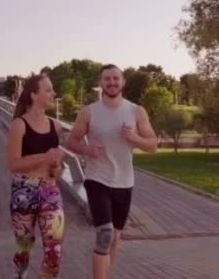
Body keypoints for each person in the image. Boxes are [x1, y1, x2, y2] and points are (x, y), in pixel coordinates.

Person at [67, 64, 158, 279]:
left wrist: (135, 139)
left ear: (123, 82)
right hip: (97, 178)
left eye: (115, 78)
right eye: (107, 79)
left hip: (125, 182)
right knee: (105, 233)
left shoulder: (136, 111)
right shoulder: (89, 112)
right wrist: (87, 149)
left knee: (116, 237)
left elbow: (153, 145)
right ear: (101, 83)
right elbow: (71, 140)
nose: (111, 82)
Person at [7, 74, 66, 279]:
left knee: (54, 252)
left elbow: (54, 166)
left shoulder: (55, 126)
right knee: (24, 249)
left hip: (50, 191)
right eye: (48, 90)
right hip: (24, 190)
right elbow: (13, 164)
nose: (53, 93)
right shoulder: (19, 125)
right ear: (33, 95)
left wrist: (57, 169)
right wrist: (45, 156)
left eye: (52, 89)